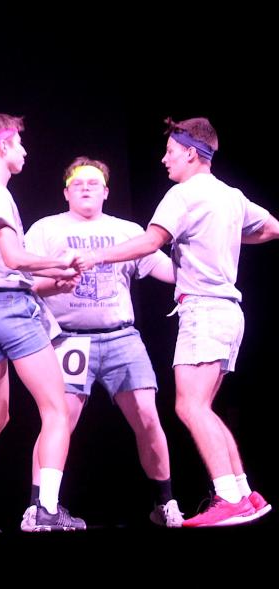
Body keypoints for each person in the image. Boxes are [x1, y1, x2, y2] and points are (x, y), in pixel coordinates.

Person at [80, 117, 278, 526]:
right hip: (228, 312)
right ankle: (243, 491)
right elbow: (273, 228)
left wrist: (99, 256)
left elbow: (152, 242)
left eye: (170, 152)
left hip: (204, 310)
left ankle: (229, 497)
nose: (164, 159)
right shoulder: (231, 195)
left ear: (191, 153)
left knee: (189, 405)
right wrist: (219, 235)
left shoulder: (182, 194)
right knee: (203, 405)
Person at [20, 156, 183, 530]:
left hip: (121, 337)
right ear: (65, 192)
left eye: (94, 182)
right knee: (58, 420)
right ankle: (38, 507)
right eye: (78, 182)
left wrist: (202, 267)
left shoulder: (128, 231)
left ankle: (165, 502)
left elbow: (163, 269)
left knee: (147, 415)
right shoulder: (46, 230)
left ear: (107, 191)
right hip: (69, 340)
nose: (86, 187)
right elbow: (22, 277)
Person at [0, 112, 86, 534]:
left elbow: (1, 270)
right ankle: (46, 510)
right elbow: (13, 258)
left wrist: (51, 283)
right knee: (57, 410)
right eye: (20, 144)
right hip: (8, 310)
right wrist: (59, 262)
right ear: (4, 148)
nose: (25, 151)